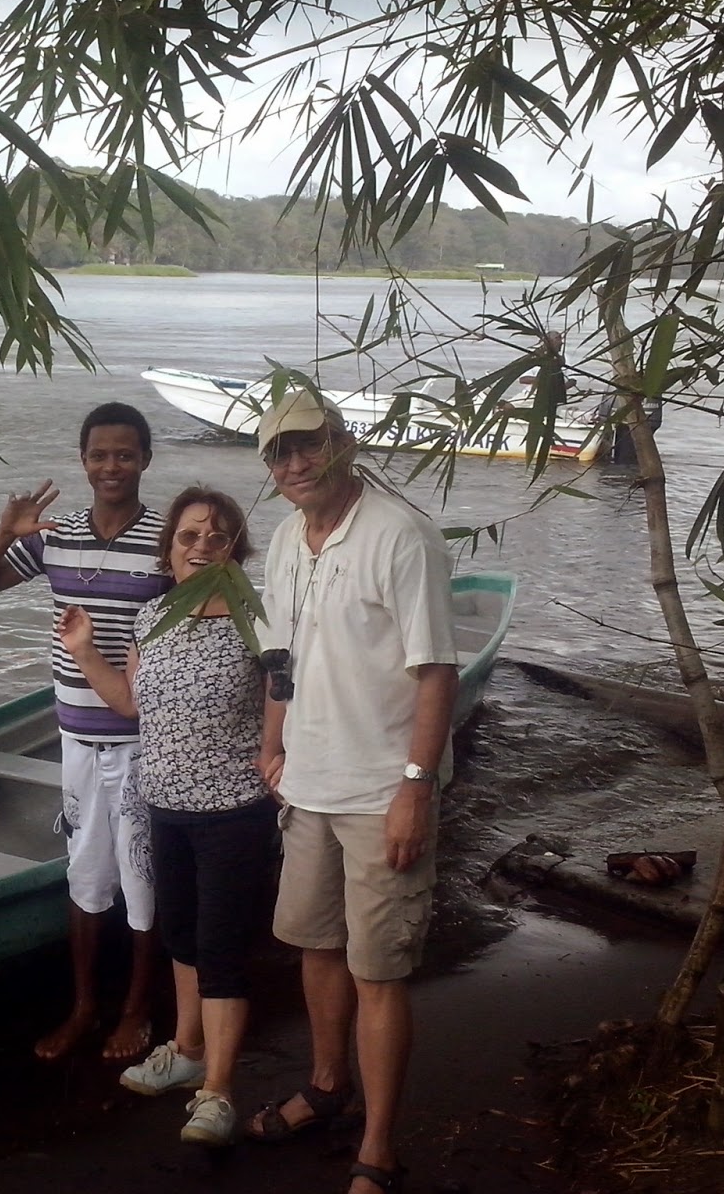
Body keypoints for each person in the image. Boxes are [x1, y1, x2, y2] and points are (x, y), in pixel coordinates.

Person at [246, 390, 458, 1194]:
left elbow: (435, 669)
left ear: (345, 440)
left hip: (380, 792)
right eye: (277, 453)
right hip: (308, 785)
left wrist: (415, 787)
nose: (294, 464)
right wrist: (273, 745)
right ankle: (327, 1087)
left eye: (307, 445)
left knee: (378, 971)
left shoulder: (400, 536)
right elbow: (280, 660)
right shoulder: (283, 539)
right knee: (317, 948)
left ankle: (378, 1147)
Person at [57, 487, 277, 1147]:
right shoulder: (152, 614)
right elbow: (130, 704)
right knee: (181, 935)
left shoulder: (257, 620)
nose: (202, 545)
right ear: (169, 547)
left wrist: (278, 757)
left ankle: (219, 1091)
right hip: (164, 803)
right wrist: (85, 650)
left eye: (218, 535)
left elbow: (285, 700)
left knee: (221, 950)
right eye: (189, 535)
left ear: (236, 549)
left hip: (233, 807)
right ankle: (186, 1049)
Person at [0, 402, 172, 1063]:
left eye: (126, 453)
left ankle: (136, 1009)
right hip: (76, 736)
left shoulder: (169, 541)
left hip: (143, 738)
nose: (113, 466)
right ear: (83, 462)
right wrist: (3, 532)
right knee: (84, 875)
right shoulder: (57, 535)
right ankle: (83, 1007)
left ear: (145, 459)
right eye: (100, 454)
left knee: (142, 878)